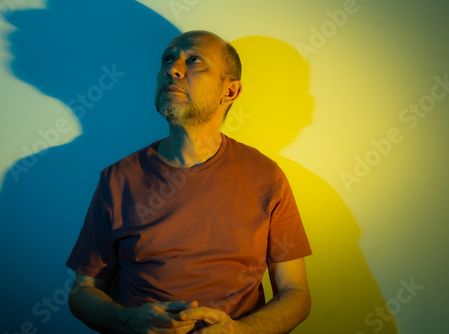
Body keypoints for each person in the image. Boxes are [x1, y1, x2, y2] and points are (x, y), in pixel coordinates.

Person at [66, 30, 312, 333]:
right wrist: (130, 321)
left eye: (193, 61)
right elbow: (82, 292)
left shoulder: (266, 178)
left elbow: (295, 293)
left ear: (230, 91)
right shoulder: (118, 180)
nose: (172, 69)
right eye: (168, 59)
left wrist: (241, 331)